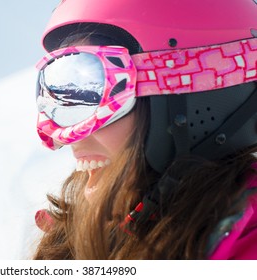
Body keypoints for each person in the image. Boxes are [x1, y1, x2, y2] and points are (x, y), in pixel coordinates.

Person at [32, 0, 257, 259]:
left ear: (195, 97)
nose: (69, 135)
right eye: (56, 91)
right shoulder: (75, 240)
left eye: (94, 90)